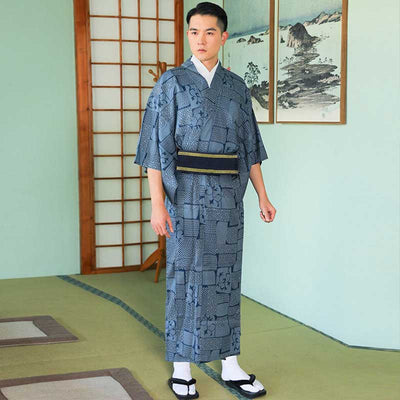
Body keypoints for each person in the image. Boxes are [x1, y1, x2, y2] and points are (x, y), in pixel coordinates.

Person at [134, 2, 276, 398]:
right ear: (188, 35)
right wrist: (157, 204)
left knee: (226, 279)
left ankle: (230, 364)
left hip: (229, 198)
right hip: (185, 197)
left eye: (209, 32)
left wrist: (264, 196)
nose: (201, 39)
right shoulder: (171, 83)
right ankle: (182, 367)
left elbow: (249, 148)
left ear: (223, 36)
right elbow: (155, 149)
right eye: (194, 32)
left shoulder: (235, 88)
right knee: (184, 278)